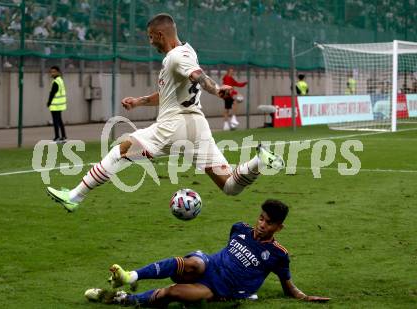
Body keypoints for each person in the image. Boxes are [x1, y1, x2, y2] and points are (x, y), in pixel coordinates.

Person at [46, 13, 284, 212]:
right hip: (197, 127)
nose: (151, 42)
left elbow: (199, 76)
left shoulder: (175, 56)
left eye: (151, 37)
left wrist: (217, 88)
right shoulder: (187, 52)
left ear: (160, 35)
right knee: (230, 185)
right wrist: (139, 102)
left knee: (119, 150)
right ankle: (258, 161)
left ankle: (75, 196)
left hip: (173, 126)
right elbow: (175, 90)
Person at [84, 199, 330, 306]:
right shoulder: (240, 229)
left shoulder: (278, 254)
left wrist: (305, 297)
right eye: (261, 218)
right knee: (193, 263)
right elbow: (227, 255)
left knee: (174, 293)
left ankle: (122, 299)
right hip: (209, 265)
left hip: (220, 290)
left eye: (269, 222)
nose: (262, 224)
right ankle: (131, 276)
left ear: (279, 227)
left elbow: (288, 286)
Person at [47, 65, 67, 142]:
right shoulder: (60, 80)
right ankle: (64, 136)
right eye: (51, 72)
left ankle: (57, 137)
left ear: (58, 72)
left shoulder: (56, 82)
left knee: (56, 121)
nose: (52, 73)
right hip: (60, 104)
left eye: (54, 72)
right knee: (59, 120)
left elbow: (52, 93)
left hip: (55, 105)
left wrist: (49, 102)